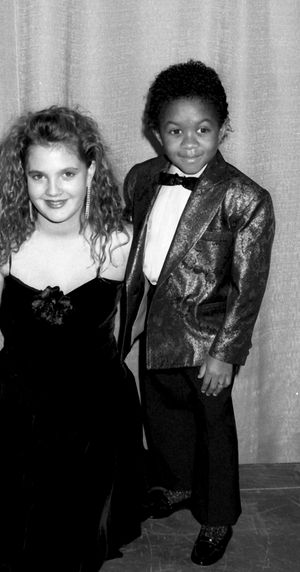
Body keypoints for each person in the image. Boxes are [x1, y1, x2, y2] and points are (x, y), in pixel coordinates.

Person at [0, 106, 142, 571]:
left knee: (66, 546)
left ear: (91, 171)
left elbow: (148, 321)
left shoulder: (123, 243)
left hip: (94, 416)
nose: (53, 190)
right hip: (15, 408)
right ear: (21, 179)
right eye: (38, 176)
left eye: (67, 173)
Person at [119, 60, 275, 566]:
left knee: (212, 429)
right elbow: (132, 258)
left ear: (223, 129)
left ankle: (218, 515)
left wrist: (226, 354)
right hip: (153, 332)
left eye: (202, 130)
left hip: (207, 339)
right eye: (175, 131)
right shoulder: (142, 178)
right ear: (155, 133)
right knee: (160, 416)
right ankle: (176, 485)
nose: (189, 143)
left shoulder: (245, 197)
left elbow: (248, 288)